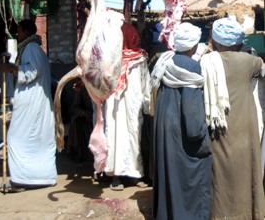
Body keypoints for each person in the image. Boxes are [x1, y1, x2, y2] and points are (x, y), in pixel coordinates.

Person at [201, 17, 265, 219]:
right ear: (238, 41)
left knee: (221, 173)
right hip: (246, 126)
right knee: (247, 170)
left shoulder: (207, 62)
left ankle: (221, 214)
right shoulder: (250, 61)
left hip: (220, 127)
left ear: (216, 40)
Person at [151, 22, 212, 220]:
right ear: (194, 45)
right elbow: (193, 121)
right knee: (188, 175)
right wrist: (203, 132)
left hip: (164, 126)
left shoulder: (165, 61)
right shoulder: (192, 66)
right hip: (180, 128)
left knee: (169, 172)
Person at [0, 19, 57, 189]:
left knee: (15, 137)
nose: (17, 34)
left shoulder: (31, 48)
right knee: (30, 138)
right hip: (33, 103)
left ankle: (27, 177)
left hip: (33, 103)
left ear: (25, 32)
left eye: (19, 30)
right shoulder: (31, 48)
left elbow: (33, 71)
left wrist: (11, 68)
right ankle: (30, 177)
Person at [104, 21, 151, 190]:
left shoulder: (140, 58)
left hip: (133, 106)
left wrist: (147, 105)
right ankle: (115, 176)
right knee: (114, 137)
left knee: (133, 137)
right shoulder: (109, 59)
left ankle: (134, 175)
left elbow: (146, 82)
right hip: (114, 107)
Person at [67, 80, 93, 162]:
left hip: (101, 117)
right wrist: (83, 113)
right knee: (75, 119)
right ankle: (78, 152)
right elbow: (73, 108)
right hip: (88, 118)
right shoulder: (82, 88)